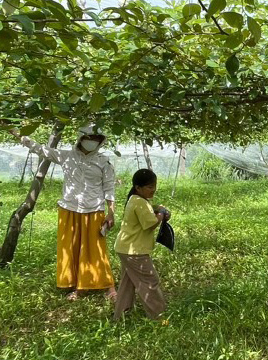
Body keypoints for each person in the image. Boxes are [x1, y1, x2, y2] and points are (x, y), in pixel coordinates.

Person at [15, 124, 117, 300]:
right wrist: (16, 133)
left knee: (96, 249)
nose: (92, 142)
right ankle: (80, 285)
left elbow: (109, 188)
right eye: (89, 138)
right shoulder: (66, 156)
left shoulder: (103, 161)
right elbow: (40, 149)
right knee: (72, 247)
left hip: (94, 209)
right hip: (69, 209)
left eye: (96, 139)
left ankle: (108, 286)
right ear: (81, 138)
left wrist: (111, 212)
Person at [112, 168, 169, 322]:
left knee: (127, 283)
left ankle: (120, 316)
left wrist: (157, 209)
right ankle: (160, 317)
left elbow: (147, 211)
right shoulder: (140, 202)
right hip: (134, 251)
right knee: (150, 281)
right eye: (149, 187)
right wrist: (161, 215)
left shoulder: (134, 199)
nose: (153, 190)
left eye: (154, 186)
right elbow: (150, 224)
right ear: (138, 187)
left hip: (125, 248)